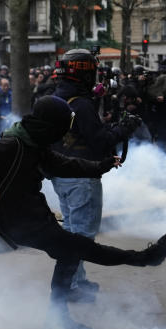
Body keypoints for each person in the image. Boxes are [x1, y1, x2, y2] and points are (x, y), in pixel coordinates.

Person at [0, 96, 166, 329]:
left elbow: (65, 164)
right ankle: (145, 258)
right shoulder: (13, 144)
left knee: (71, 253)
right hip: (18, 221)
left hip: (33, 217)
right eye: (64, 125)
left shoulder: (34, 143)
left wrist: (101, 166)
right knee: (79, 249)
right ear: (50, 124)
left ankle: (58, 319)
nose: (66, 132)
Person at [49, 49, 141, 301]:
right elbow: (99, 142)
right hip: (82, 177)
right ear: (84, 73)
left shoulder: (57, 99)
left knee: (72, 230)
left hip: (62, 174)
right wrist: (124, 129)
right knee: (81, 237)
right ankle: (70, 288)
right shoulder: (80, 103)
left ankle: (75, 281)